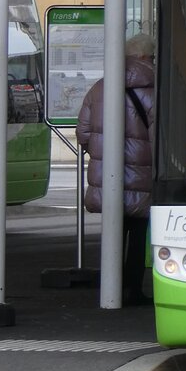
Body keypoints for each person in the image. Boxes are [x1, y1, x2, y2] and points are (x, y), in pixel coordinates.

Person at [76, 32, 156, 305]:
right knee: (137, 235)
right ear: (145, 57)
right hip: (142, 173)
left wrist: (100, 153)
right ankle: (133, 289)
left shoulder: (100, 87)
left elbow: (83, 131)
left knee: (113, 229)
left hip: (108, 174)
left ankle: (111, 286)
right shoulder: (154, 88)